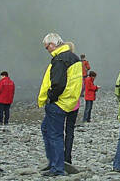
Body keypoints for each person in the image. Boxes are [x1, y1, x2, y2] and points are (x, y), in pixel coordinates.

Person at [38, 33, 83, 177]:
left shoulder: (59, 60)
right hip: (69, 101)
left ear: (52, 44)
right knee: (46, 129)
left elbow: (58, 84)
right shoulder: (74, 58)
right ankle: (54, 163)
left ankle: (57, 167)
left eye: (47, 48)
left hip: (58, 103)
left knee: (54, 134)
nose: (48, 51)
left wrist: (50, 97)